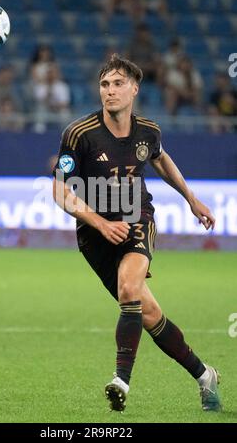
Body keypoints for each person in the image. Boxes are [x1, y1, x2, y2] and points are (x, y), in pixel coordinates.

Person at [52, 54, 221, 413]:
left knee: (130, 288)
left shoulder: (147, 131)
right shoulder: (79, 134)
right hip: (94, 233)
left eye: (117, 84)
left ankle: (121, 380)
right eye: (104, 84)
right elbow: (60, 191)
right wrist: (99, 222)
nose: (109, 91)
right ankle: (204, 374)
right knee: (148, 312)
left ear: (134, 90)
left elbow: (160, 158)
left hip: (135, 215)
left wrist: (191, 198)